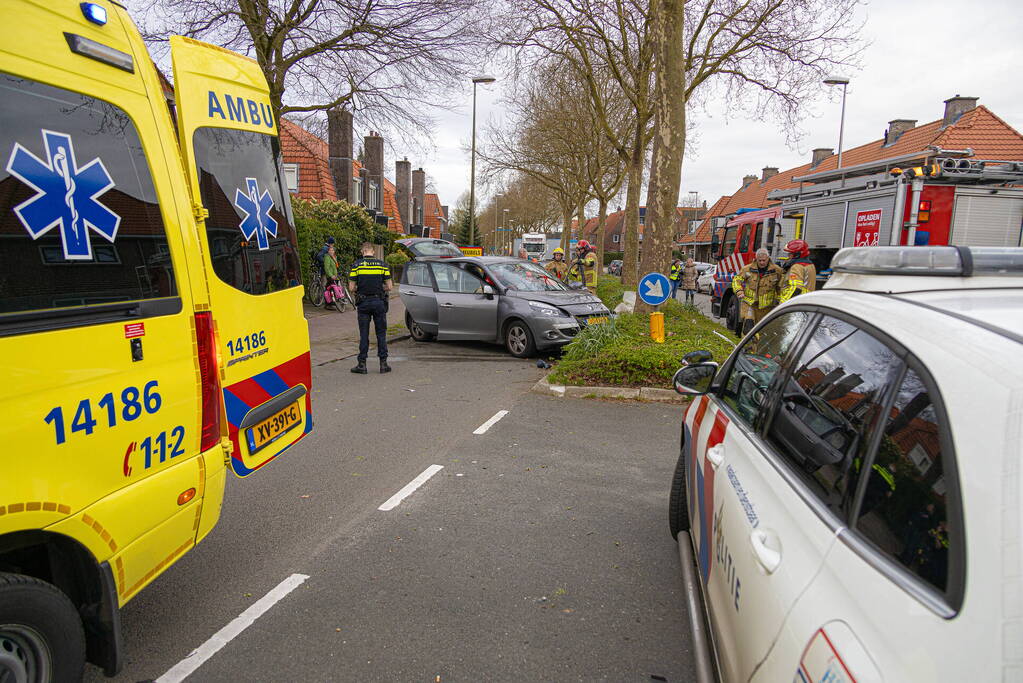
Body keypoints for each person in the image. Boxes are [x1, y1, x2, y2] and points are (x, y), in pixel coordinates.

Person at [347, 242, 393, 374]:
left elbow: (351, 288)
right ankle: (383, 364)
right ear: (373, 252)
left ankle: (362, 365)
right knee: (381, 334)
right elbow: (389, 287)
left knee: (364, 334)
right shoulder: (382, 265)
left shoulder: (356, 265)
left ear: (362, 252)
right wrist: (379, 288)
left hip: (363, 303)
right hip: (379, 302)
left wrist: (359, 289)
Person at [731, 247, 785, 336]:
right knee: (748, 328)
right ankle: (747, 348)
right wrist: (739, 291)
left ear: (768, 258)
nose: (762, 262)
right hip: (750, 304)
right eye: (759, 260)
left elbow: (781, 287)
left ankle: (758, 349)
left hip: (767, 307)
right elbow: (736, 280)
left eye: (764, 260)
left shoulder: (777, 270)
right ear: (756, 259)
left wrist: (780, 301)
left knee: (764, 332)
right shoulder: (747, 269)